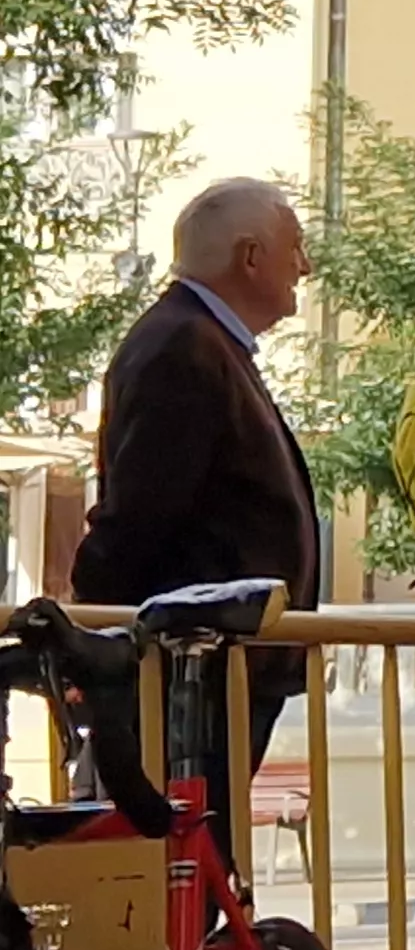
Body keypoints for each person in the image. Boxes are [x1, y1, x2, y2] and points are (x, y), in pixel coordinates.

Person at [78, 179, 319, 778]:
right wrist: (95, 629)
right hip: (193, 675)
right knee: (180, 850)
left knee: (197, 853)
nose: (305, 266)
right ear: (250, 256)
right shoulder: (184, 347)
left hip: (214, 668)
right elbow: (139, 514)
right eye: (295, 247)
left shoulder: (198, 342)